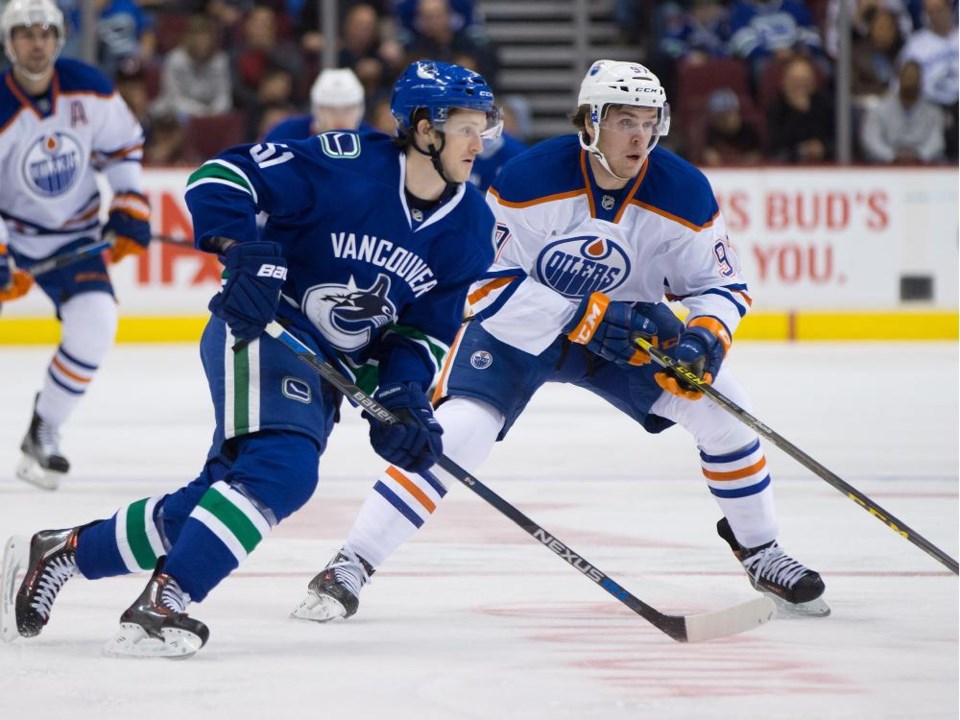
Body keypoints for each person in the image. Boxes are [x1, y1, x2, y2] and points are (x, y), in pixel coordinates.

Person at [290, 60, 830, 626]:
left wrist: (702, 339)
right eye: (625, 120)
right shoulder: (529, 179)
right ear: (590, 122)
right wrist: (583, 316)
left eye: (650, 121)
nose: (640, 136)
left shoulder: (685, 192)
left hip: (631, 333)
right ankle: (351, 562)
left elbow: (722, 285)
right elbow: (481, 283)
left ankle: (762, 550)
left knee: (727, 407)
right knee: (457, 435)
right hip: (521, 334)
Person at [3, 59, 503, 658]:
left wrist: (403, 397)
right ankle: (165, 601)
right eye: (468, 127)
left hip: (329, 371)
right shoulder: (346, 164)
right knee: (285, 470)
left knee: (224, 492)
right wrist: (242, 247)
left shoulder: (472, 225)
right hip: (266, 327)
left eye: (485, 127)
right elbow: (220, 176)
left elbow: (422, 334)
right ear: (424, 129)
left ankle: (65, 552)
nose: (481, 142)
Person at [0, 0, 152, 490]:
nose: (36, 41)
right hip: (12, 234)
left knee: (96, 323)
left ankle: (44, 429)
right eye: (24, 33)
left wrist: (129, 205)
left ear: (59, 37)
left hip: (77, 237)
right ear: (8, 42)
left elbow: (123, 148)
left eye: (45, 31)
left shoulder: (89, 85)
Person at [264, 67, 372, 142]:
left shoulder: (373, 141)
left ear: (360, 110)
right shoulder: (284, 134)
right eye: (331, 109)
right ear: (316, 109)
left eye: (348, 109)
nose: (339, 117)